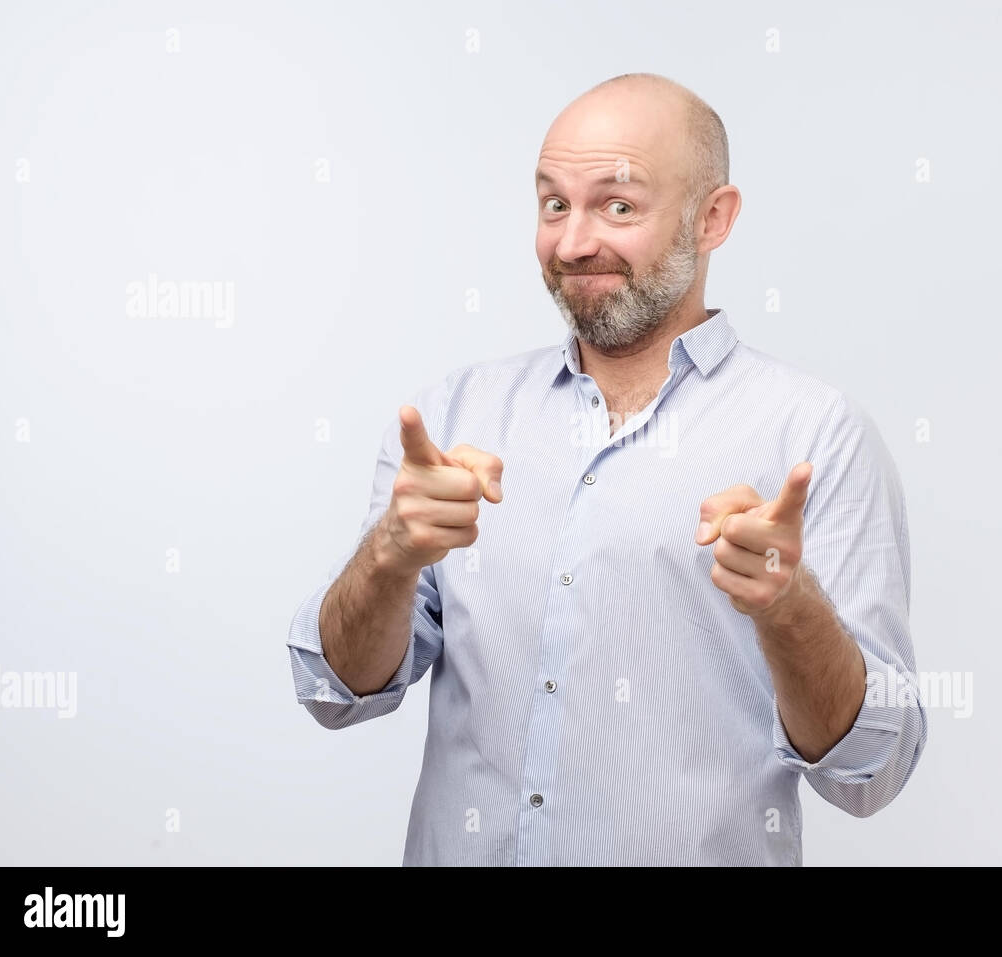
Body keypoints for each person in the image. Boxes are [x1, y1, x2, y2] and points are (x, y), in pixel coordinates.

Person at [287, 73, 926, 866]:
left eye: (618, 205)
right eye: (554, 203)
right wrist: (388, 554)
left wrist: (789, 606)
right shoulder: (454, 416)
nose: (572, 242)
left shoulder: (816, 434)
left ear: (713, 218)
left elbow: (873, 769)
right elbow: (334, 693)